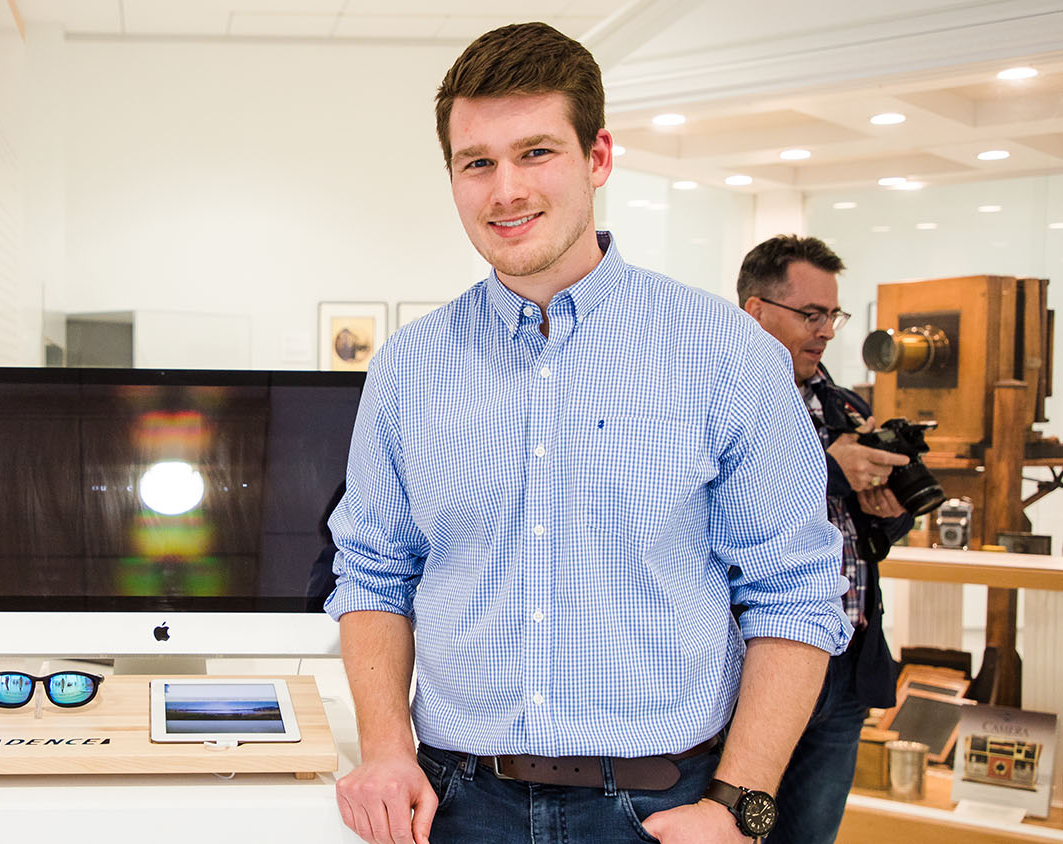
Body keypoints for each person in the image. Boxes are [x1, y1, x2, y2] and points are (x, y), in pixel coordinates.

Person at [324, 21, 853, 844]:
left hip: (658, 809)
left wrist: (740, 808)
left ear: (597, 158)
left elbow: (796, 592)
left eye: (536, 152)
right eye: (477, 162)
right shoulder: (407, 368)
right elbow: (372, 572)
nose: (505, 190)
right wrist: (386, 749)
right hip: (455, 804)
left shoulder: (724, 353)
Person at [738, 235, 915, 844]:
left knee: (811, 834)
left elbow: (859, 536)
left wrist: (886, 512)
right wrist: (830, 469)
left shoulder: (845, 406)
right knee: (736, 827)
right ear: (755, 310)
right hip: (758, 662)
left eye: (832, 315)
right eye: (810, 315)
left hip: (846, 659)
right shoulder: (722, 401)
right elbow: (726, 511)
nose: (827, 331)